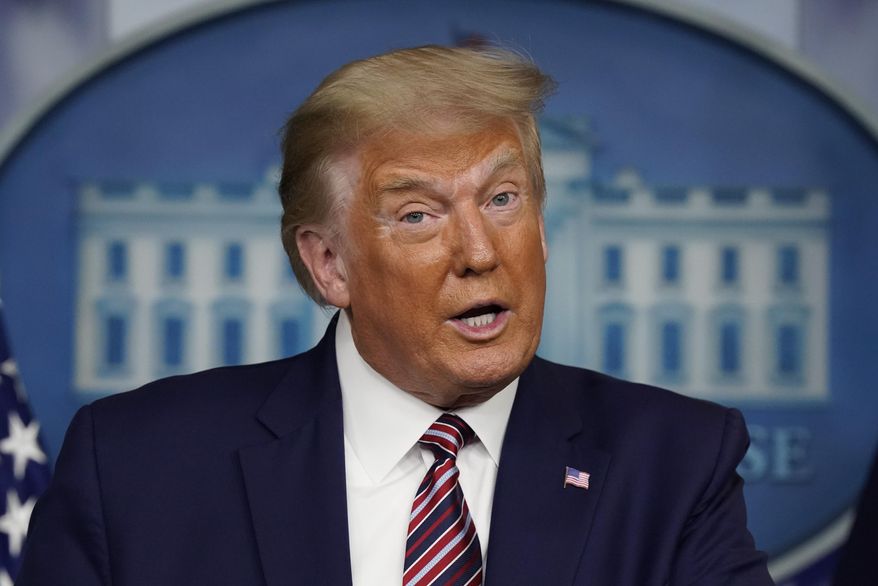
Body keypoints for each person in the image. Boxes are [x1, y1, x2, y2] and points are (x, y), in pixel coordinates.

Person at [18, 46, 773, 585]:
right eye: (418, 215)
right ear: (328, 265)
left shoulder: (675, 463)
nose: (480, 251)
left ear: (542, 227)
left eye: (504, 200)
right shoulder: (135, 467)